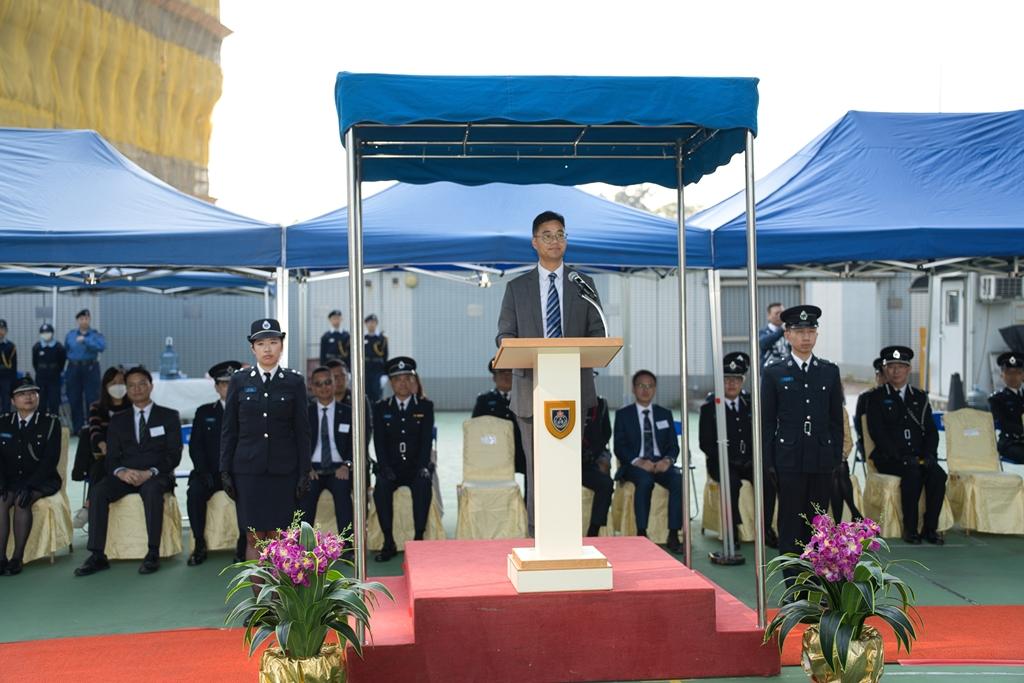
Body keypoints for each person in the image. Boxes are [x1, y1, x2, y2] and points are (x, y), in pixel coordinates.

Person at [496, 210, 605, 533]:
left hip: (573, 393)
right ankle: (537, 534)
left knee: (567, 466)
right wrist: (520, 348)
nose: (555, 240)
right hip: (531, 392)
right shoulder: (517, 288)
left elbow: (598, 335)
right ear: (534, 242)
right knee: (538, 468)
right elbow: (504, 335)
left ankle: (567, 535)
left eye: (560, 234)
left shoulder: (583, 284)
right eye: (547, 235)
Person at [74, 366, 182, 576]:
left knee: (151, 491)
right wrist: (121, 472)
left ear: (151, 385)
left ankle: (152, 553)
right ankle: (97, 555)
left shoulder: (169, 416)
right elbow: (111, 457)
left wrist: (149, 471)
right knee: (98, 491)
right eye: (131, 385)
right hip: (125, 475)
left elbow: (174, 455)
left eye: (142, 383)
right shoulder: (118, 420)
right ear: (127, 389)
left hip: (156, 475)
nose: (137, 389)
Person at [219, 319, 312, 563]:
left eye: (273, 342)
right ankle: (260, 601)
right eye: (261, 343)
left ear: (281, 346)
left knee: (280, 537)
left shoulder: (294, 382)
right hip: (248, 472)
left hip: (284, 471)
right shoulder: (239, 381)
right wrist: (225, 470)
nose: (268, 349)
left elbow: (302, 431)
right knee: (255, 538)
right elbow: (229, 430)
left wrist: (305, 471)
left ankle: (279, 598)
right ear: (252, 349)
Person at [761, 305, 844, 564]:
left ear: (817, 335)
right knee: (790, 522)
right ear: (787, 335)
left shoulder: (829, 371)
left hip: (820, 458)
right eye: (799, 331)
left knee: (818, 524)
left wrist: (835, 457)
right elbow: (766, 422)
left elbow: (835, 420)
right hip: (788, 459)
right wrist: (768, 463)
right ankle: (793, 587)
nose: (806, 337)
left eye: (811, 331)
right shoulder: (774, 372)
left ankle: (816, 580)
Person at [866, 345, 947, 545]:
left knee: (938, 474)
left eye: (901, 366)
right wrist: (899, 456)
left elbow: (930, 431)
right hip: (890, 458)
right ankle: (910, 529)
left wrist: (929, 454)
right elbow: (878, 433)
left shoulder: (919, 397)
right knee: (912, 473)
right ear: (885, 369)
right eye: (891, 366)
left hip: (918, 455)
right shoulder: (876, 397)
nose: (896, 371)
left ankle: (930, 528)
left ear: (909, 369)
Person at [699, 352, 777, 549]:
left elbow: (761, 436)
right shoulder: (710, 408)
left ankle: (765, 527)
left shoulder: (751, 404)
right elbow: (705, 443)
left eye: (736, 379)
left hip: (748, 461)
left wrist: (753, 458)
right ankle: (732, 530)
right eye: (726, 379)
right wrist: (727, 458)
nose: (731, 384)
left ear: (742, 381)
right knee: (731, 483)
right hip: (722, 461)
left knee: (768, 480)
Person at [613, 370, 683, 553]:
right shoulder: (623, 415)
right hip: (634, 466)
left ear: (655, 389)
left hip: (661, 464)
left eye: (650, 386)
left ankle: (674, 534)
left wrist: (668, 460)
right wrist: (638, 461)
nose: (645, 390)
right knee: (645, 481)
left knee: (678, 480)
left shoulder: (664, 413)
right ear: (634, 389)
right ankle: (642, 532)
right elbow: (619, 447)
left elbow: (674, 446)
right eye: (641, 386)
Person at [372, 356, 433, 562]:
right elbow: (379, 442)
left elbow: (426, 442)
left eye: (407, 378)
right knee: (381, 487)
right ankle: (388, 541)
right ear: (391, 382)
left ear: (413, 380)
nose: (403, 383)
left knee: (424, 484)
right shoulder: (381, 407)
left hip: (415, 467)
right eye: (398, 379)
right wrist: (384, 467)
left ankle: (418, 539)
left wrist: (424, 466)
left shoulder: (425, 407)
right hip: (392, 468)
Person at [186, 360, 246, 566]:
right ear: (216, 387)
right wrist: (204, 472)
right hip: (210, 473)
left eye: (232, 384)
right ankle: (199, 544)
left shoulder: (248, 411)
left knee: (249, 492)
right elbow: (196, 447)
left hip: (240, 473)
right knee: (194, 491)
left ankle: (243, 544)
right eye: (223, 384)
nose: (228, 388)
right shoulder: (204, 413)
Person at [0, 377, 62, 575]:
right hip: (10, 479)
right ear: (12, 400)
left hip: (42, 480)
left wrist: (30, 485)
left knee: (21, 501)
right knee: (0, 502)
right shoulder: (3, 422)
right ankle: (1, 557)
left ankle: (17, 557)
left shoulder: (50, 422)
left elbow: (50, 461)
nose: (28, 397)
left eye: (32, 393)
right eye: (21, 393)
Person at [71, 366, 130, 529]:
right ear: (105, 385)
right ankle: (90, 506)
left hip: (129, 455)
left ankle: (88, 507)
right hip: (105, 454)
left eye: (121, 382)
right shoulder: (97, 407)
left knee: (102, 468)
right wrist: (103, 445)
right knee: (98, 468)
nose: (118, 386)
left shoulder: (132, 406)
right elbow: (94, 429)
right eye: (113, 382)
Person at [299, 366, 354, 537]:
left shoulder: (348, 413)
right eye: (319, 384)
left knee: (343, 497)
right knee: (305, 499)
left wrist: (347, 464)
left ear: (335, 383)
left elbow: (357, 444)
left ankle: (349, 547)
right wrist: (306, 468)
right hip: (313, 468)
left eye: (328, 382)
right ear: (312, 388)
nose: (324, 387)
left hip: (339, 468)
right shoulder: (304, 415)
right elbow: (297, 445)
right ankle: (302, 550)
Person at [471, 360, 527, 487]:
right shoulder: (484, 400)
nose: (506, 376)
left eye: (510, 372)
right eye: (501, 372)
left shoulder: (525, 398)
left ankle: (529, 506)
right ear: (494, 377)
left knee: (532, 480)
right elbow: (476, 428)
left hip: (522, 451)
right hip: (495, 451)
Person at [65, 309, 106, 432]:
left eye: (87, 319)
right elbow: (67, 349)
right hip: (74, 368)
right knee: (74, 398)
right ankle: (78, 429)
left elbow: (101, 347)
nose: (84, 321)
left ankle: (92, 427)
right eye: (82, 319)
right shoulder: (71, 334)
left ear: (90, 319)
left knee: (92, 398)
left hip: (91, 368)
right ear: (77, 320)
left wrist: (86, 340)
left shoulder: (95, 334)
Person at [581, 393, 613, 537]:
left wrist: (599, 456)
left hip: (588, 463)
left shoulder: (600, 405)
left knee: (606, 483)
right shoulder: (561, 401)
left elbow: (606, 434)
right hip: (563, 466)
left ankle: (594, 529)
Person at [989, 351, 1024, 465]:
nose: (1013, 377)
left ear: (1023, 375)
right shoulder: (997, 399)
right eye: (1008, 373)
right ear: (1002, 375)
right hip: (1010, 443)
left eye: (1017, 372)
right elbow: (1004, 423)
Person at [854, 357, 885, 460]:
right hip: (871, 446)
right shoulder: (866, 398)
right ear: (877, 376)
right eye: (882, 375)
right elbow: (860, 426)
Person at [31, 323, 66, 416]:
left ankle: (53, 426)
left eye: (48, 332)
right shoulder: (37, 347)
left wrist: (55, 370)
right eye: (43, 332)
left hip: (54, 378)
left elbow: (62, 362)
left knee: (54, 403)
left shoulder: (59, 347)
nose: (46, 334)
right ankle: (41, 426)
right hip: (41, 378)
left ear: (52, 333)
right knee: (41, 403)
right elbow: (35, 363)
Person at [364, 314, 389, 403]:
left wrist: (385, 374)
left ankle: (376, 414)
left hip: (377, 370)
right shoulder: (362, 338)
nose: (371, 324)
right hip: (365, 369)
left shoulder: (382, 338)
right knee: (365, 392)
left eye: (374, 322)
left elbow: (385, 357)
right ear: (365, 324)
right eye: (369, 322)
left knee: (376, 393)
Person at [0, 320, 16, 414]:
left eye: (2, 329)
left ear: (6, 331)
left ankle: (5, 423)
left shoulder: (10, 346)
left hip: (6, 377)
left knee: (6, 401)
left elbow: (14, 365)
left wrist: (13, 382)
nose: (0, 331)